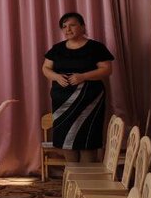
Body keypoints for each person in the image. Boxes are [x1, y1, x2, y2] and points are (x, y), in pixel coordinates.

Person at [42, 12, 115, 162]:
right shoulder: (57, 49)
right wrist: (56, 77)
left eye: (72, 25)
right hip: (62, 103)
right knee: (66, 140)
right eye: (64, 26)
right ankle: (72, 174)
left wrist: (83, 76)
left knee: (88, 139)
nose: (67, 29)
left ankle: (87, 175)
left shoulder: (96, 47)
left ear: (82, 27)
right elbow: (46, 68)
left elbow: (107, 69)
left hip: (89, 102)